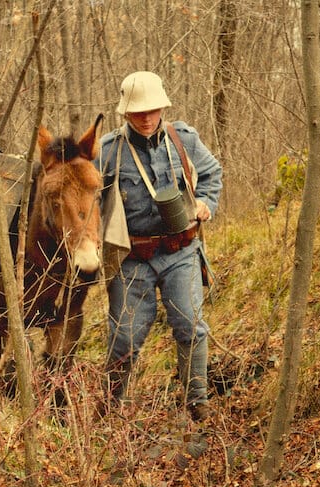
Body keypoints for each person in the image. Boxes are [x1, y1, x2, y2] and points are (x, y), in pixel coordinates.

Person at [97, 71, 223, 421]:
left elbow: (212, 174)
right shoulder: (108, 151)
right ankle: (110, 410)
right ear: (125, 113)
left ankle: (196, 404)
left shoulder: (183, 139)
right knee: (124, 337)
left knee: (192, 327)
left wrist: (205, 204)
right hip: (132, 259)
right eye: (139, 112)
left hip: (180, 251)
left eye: (152, 110)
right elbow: (84, 195)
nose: (147, 118)